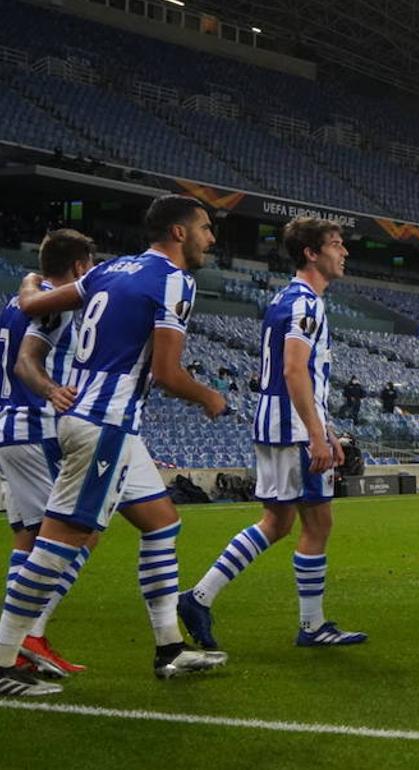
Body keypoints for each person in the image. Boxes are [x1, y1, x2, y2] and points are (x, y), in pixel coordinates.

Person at [0, 194, 230, 696]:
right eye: (206, 228)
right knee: (58, 545)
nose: (212, 238)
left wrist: (29, 280)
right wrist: (209, 396)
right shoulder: (174, 280)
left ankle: (170, 646)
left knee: (161, 521)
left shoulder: (109, 271)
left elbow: (31, 304)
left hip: (98, 424)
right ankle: (6, 658)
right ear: (178, 232)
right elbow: (168, 374)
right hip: (103, 423)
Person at [178, 216, 367, 652]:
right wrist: (317, 437)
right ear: (311, 253)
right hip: (294, 430)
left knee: (277, 521)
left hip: (278, 424)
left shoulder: (287, 299)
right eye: (337, 244)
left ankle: (199, 597)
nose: (345, 252)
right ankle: (312, 625)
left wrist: (328, 430)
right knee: (317, 524)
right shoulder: (305, 303)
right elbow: (293, 369)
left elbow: (297, 376)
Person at [0, 230, 96, 677]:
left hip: (10, 427)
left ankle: (16, 640)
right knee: (73, 532)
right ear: (80, 266)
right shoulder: (57, 303)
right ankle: (25, 638)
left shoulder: (20, 299)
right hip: (35, 425)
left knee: (28, 538)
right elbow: (27, 363)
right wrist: (52, 390)